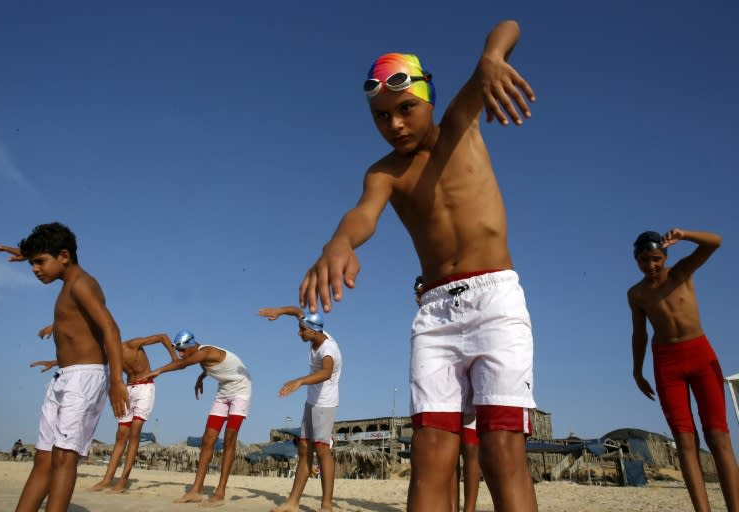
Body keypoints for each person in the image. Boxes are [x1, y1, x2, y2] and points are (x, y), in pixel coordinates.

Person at [299, 20, 537, 512]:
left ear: (429, 99)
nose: (396, 124)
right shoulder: (384, 172)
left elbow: (508, 25)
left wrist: (493, 58)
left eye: (406, 108)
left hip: (495, 301)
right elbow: (362, 216)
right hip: (434, 316)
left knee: (501, 449)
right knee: (430, 453)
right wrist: (339, 242)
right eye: (382, 116)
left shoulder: (460, 126)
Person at [0, 222, 127, 512]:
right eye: (32, 263)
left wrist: (117, 381)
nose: (35, 269)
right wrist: (26, 253)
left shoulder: (81, 285)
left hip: (86, 379)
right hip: (63, 378)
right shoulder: (68, 282)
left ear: (64, 256)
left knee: (64, 457)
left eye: (39, 262)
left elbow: (111, 329)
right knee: (44, 458)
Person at [628, 229, 739, 512]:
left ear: (665, 255)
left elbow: (716, 241)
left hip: (700, 355)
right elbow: (639, 334)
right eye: (643, 260)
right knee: (684, 440)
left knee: (718, 436)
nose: (650, 266)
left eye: (655, 258)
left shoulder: (681, 273)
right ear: (636, 261)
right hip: (667, 364)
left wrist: (685, 234)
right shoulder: (637, 294)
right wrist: (637, 371)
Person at [33, 324, 179, 493]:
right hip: (127, 388)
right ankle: (107, 479)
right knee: (121, 435)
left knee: (135, 432)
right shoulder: (110, 355)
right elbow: (84, 358)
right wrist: (54, 362)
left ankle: (123, 480)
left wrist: (174, 358)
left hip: (145, 388)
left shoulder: (131, 345)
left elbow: (162, 336)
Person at [138, 329, 251, 506]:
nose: (181, 354)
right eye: (178, 351)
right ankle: (196, 490)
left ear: (192, 345)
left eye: (183, 351)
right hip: (223, 392)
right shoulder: (201, 355)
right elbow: (209, 366)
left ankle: (220, 492)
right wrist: (201, 377)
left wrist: (158, 371)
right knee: (208, 439)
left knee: (230, 439)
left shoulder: (205, 351)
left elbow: (183, 365)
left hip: (241, 392)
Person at [258, 306, 343, 512]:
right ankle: (292, 502)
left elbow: (326, 373)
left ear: (314, 331)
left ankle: (326, 506)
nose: (299, 332)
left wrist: (300, 381)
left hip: (325, 403)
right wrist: (279, 311)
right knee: (304, 448)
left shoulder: (328, 350)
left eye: (302, 330)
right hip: (312, 401)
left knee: (322, 449)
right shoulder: (314, 333)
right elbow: (298, 311)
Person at [415, 278, 480, 512]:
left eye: (420, 291)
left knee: (470, 450)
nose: (416, 297)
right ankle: (451, 507)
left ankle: (469, 508)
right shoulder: (427, 322)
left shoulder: (458, 302)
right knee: (447, 449)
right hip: (444, 377)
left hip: (470, 369)